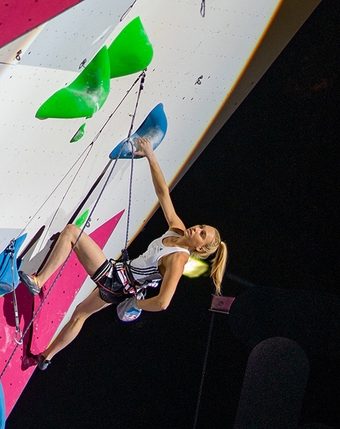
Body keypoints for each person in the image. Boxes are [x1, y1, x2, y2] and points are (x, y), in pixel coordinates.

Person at [19, 138, 227, 369]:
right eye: (201, 227)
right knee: (80, 314)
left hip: (118, 281)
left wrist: (137, 304)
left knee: (71, 233)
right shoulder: (177, 229)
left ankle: (38, 281)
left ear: (199, 248)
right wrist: (151, 156)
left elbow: (163, 303)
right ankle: (46, 358)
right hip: (121, 281)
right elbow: (163, 194)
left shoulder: (178, 259)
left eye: (201, 234)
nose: (196, 229)